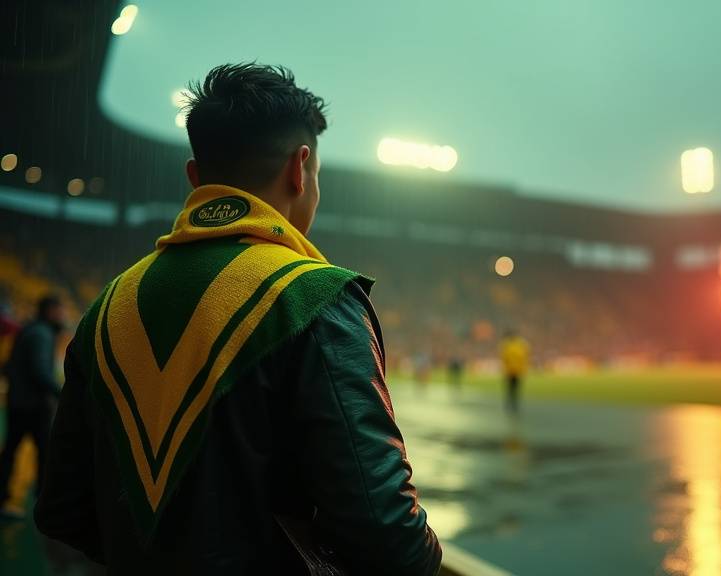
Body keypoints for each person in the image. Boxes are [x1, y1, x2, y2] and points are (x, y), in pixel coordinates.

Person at [34, 64, 441, 575]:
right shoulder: (315, 297)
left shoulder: (106, 307)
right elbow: (388, 537)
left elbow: (63, 511)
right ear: (301, 167)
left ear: (194, 178)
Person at [0, 294, 64, 518]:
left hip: (19, 402)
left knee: (11, 450)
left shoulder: (30, 329)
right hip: (33, 406)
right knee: (44, 453)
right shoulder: (42, 334)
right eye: (59, 310)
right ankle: (43, 503)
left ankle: (4, 499)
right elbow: (40, 372)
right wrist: (62, 393)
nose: (63, 315)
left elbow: (9, 366)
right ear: (49, 311)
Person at [499, 329, 530, 415]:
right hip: (510, 371)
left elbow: (524, 358)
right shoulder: (508, 345)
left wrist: (523, 368)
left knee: (514, 389)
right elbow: (504, 358)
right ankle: (510, 404)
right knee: (510, 389)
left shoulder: (519, 345)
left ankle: (513, 404)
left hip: (516, 371)